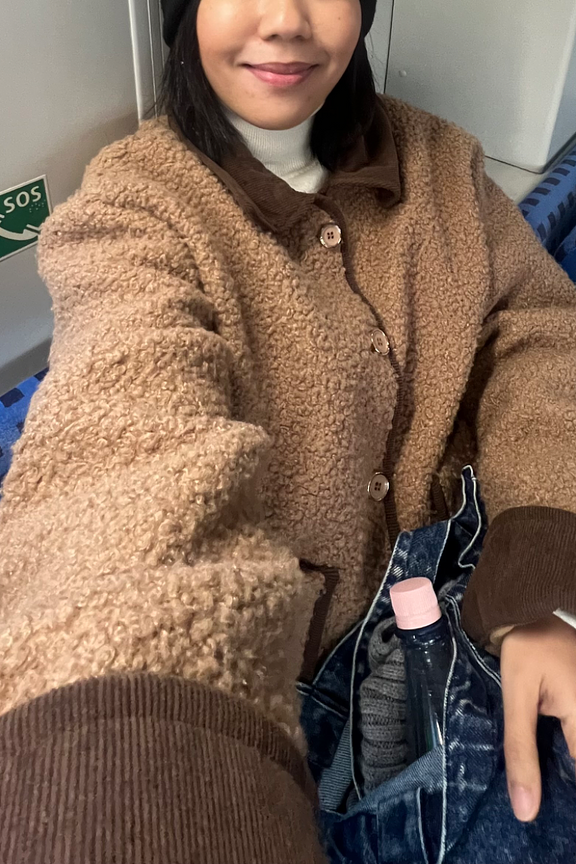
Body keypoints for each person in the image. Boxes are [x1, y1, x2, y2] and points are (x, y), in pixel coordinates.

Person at [0, 0, 576, 861]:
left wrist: (544, 581)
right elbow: (124, 455)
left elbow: (539, 330)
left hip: (480, 608)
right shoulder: (132, 213)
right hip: (281, 694)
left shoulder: (440, 161)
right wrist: (135, 753)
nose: (284, 19)